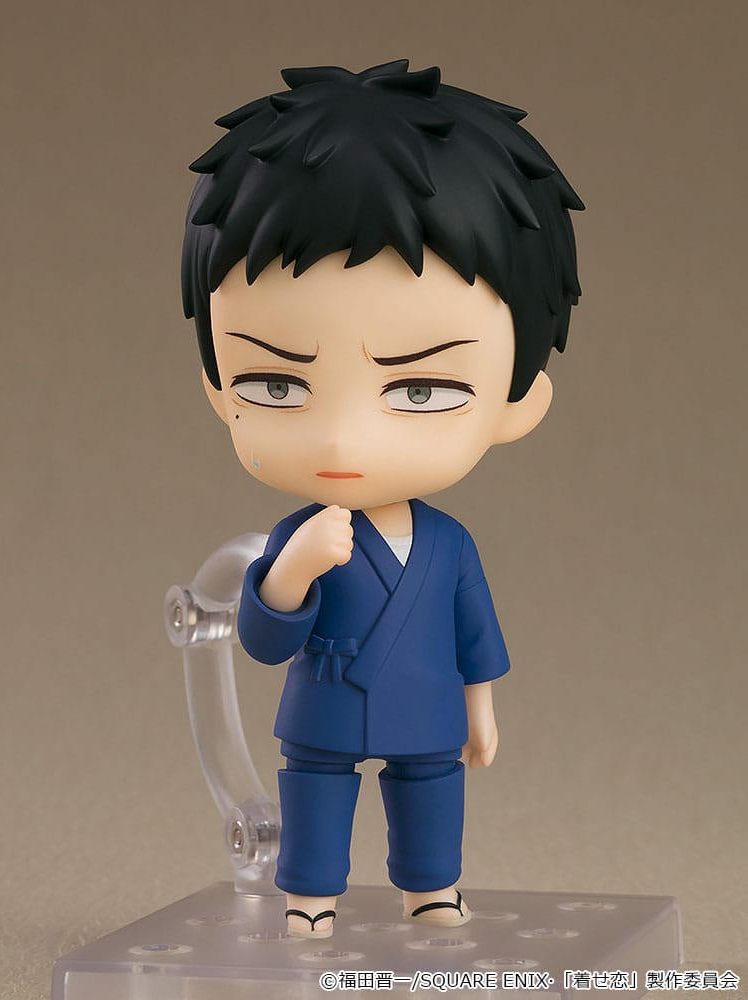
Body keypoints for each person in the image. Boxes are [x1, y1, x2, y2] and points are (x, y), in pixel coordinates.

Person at [181, 59, 583, 938]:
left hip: (425, 705)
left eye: (421, 390)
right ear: (219, 389)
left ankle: (431, 888)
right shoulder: (301, 530)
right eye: (277, 385)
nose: (342, 441)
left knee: (431, 790)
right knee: (317, 791)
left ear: (517, 402)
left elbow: (476, 636)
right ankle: (310, 895)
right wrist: (290, 572)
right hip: (324, 705)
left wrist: (481, 709)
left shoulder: (448, 544)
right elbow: (262, 640)